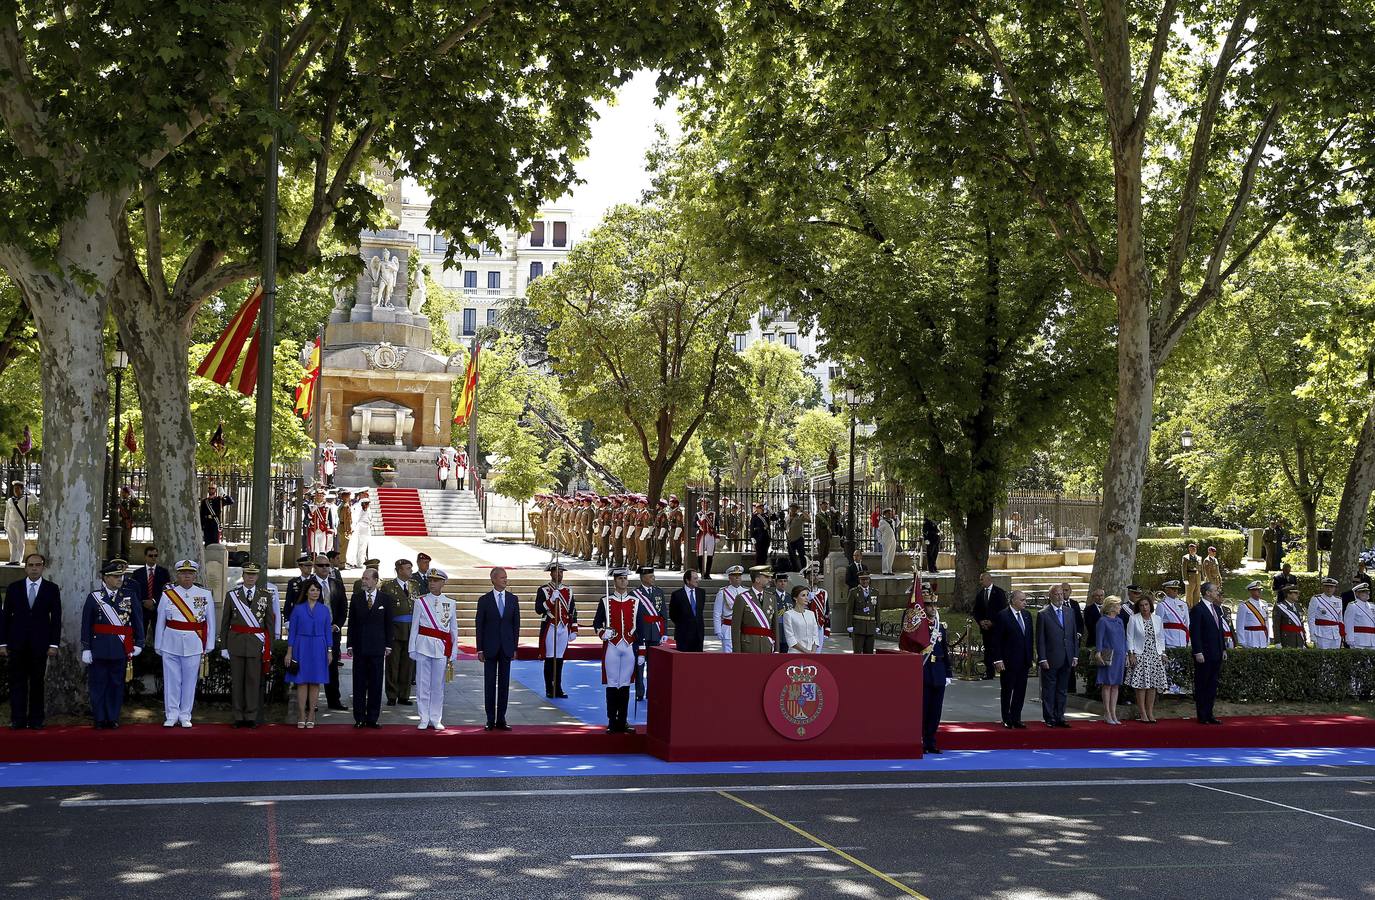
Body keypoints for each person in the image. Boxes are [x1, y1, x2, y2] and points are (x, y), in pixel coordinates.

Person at [81, 559, 143, 729]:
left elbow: (138, 621)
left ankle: (113, 717)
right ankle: (99, 718)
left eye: (121, 576)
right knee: (98, 684)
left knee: (116, 684)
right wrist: (86, 647)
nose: (119, 579)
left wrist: (139, 643)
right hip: (99, 648)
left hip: (120, 648)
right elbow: (86, 624)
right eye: (115, 576)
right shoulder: (94, 597)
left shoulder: (130, 596)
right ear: (105, 578)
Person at [1, 553, 61, 728]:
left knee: (37, 683)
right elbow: (5, 618)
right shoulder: (14, 588)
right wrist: (2, 643)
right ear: (25, 567)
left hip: (40, 645)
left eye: (38, 565)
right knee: (17, 683)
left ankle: (36, 719)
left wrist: (53, 644)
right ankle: (18, 720)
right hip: (17, 644)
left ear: (43, 567)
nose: (34, 568)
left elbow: (56, 618)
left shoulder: (51, 588)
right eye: (31, 565)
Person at [155, 559, 215, 728]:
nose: (187, 576)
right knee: (171, 681)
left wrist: (209, 643)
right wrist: (158, 644)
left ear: (195, 575)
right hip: (170, 642)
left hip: (194, 642)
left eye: (190, 573)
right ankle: (171, 714)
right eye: (183, 573)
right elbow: (160, 621)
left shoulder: (205, 594)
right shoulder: (168, 594)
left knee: (189, 681)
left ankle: (185, 714)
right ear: (177, 575)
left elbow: (210, 622)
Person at [217, 561, 277, 728]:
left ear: (257, 577)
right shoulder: (232, 595)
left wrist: (269, 646)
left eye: (254, 574)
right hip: (236, 643)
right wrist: (223, 646)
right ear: (243, 576)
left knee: (252, 681)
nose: (250, 577)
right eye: (247, 574)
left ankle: (250, 716)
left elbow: (269, 624)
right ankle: (238, 716)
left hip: (256, 645)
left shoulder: (266, 596)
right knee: (237, 681)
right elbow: (225, 622)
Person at [410, 568, 459, 730]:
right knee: (423, 684)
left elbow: (453, 630)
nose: (432, 583)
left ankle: (436, 717)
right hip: (423, 646)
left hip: (441, 648)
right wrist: (412, 648)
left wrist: (453, 652)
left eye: (436, 580)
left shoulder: (451, 603)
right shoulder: (420, 602)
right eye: (430, 580)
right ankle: (423, 717)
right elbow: (414, 627)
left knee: (438, 685)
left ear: (443, 583)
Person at [594, 568, 641, 733]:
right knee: (612, 684)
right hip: (612, 647)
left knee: (625, 685)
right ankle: (612, 720)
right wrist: (602, 632)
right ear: (614, 581)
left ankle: (623, 720)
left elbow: (639, 627)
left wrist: (641, 651)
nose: (623, 581)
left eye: (625, 578)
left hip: (628, 647)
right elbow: (597, 623)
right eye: (619, 579)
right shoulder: (605, 601)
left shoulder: (635, 602)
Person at [347, 567, 392, 728]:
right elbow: (351, 623)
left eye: (366, 578)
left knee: (375, 684)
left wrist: (388, 645)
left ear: (375, 580)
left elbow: (388, 623)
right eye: (363, 578)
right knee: (359, 684)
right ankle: (359, 717)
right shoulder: (357, 598)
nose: (363, 581)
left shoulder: (385, 599)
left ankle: (372, 717)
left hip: (377, 648)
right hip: (360, 647)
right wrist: (350, 644)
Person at [475, 566, 519, 730]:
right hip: (490, 647)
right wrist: (480, 648)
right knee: (489, 684)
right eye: (502, 578)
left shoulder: (513, 599)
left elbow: (516, 625)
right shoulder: (484, 600)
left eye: (506, 577)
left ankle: (501, 719)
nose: (505, 580)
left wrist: (514, 647)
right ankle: (490, 719)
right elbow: (479, 625)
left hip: (506, 647)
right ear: (493, 579)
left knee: (504, 684)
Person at [284, 579, 331, 728]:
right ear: (306, 592)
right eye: (312, 590)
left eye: (317, 590)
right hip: (301, 646)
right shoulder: (298, 609)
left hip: (318, 646)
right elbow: (292, 632)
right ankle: (301, 714)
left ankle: (311, 713)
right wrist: (289, 652)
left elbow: (328, 632)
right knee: (302, 681)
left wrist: (329, 651)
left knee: (315, 681)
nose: (315, 593)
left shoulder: (324, 610)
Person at [1036, 585, 1078, 729]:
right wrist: (1042, 658)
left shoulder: (1070, 612)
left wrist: (1075, 655)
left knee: (1062, 689)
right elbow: (1040, 639)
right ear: (1050, 596)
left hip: (1067, 657)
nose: (1060, 597)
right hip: (1051, 658)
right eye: (1056, 594)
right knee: (1049, 689)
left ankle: (1060, 716)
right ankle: (1049, 717)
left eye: (1061, 594)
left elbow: (1073, 636)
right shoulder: (1044, 614)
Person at [535, 561, 578, 698]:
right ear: (551, 573)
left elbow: (573, 611)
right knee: (549, 658)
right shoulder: (543, 590)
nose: (559, 574)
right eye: (556, 571)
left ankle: (558, 688)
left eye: (561, 572)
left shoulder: (568, 590)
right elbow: (538, 609)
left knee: (559, 659)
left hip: (563, 627)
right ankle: (549, 688)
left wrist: (574, 629)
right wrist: (551, 600)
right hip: (550, 626)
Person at [992, 590, 1032, 728]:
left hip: (1024, 661)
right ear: (1013, 600)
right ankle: (1006, 718)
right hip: (1008, 661)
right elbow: (996, 640)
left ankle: (1016, 717)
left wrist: (1030, 657)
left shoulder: (1027, 615)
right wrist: (998, 660)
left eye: (1025, 600)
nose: (1025, 603)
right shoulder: (1003, 616)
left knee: (1020, 691)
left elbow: (1029, 638)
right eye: (1022, 600)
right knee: (1007, 690)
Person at [314, 553, 349, 711]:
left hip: (332, 632)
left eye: (327, 565)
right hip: (313, 633)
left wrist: (337, 625)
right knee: (313, 665)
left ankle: (334, 700)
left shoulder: (337, 584)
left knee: (332, 667)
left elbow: (343, 608)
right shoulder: (309, 584)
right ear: (315, 567)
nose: (324, 568)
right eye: (321, 565)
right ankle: (311, 702)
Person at [1126, 593, 1168, 723]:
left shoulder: (1157, 619)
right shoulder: (1134, 618)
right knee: (1141, 685)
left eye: (1146, 605)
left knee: (1153, 686)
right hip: (1140, 655)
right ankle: (1142, 713)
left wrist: (1163, 653)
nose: (1144, 607)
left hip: (1155, 655)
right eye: (1142, 605)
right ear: (1138, 607)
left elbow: (1161, 637)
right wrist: (1131, 653)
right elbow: (1129, 637)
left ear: (1150, 606)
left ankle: (1150, 712)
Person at [1191, 582, 1228, 724]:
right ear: (1207, 593)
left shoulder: (1217, 609)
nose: (1217, 592)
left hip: (1216, 653)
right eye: (1215, 590)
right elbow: (1195, 633)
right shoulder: (1198, 609)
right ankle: (1202, 715)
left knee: (1212, 685)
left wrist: (1223, 649)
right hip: (1204, 654)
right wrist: (1198, 652)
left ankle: (1209, 714)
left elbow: (1220, 632)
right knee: (1202, 684)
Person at [382, 558, 417, 706]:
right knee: (393, 664)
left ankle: (404, 695)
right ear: (399, 570)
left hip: (411, 629)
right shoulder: (388, 587)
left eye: (410, 568)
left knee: (408, 665)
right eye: (408, 568)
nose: (410, 571)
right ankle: (391, 695)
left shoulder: (414, 585)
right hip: (395, 629)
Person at [632, 566, 667, 701]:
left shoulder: (659, 592)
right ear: (643, 578)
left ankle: (652, 691)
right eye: (651, 576)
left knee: (653, 666)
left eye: (653, 576)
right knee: (640, 665)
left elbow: (663, 612)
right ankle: (640, 691)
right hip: (641, 634)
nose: (653, 578)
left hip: (655, 633)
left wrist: (664, 631)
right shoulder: (635, 594)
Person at [1094, 595, 1127, 725]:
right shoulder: (1103, 621)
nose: (1120, 607)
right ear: (1112, 607)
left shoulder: (1119, 621)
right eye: (1118, 605)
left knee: (1116, 685)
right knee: (1107, 684)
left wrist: (1126, 654)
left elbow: (1123, 638)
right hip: (1108, 656)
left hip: (1120, 656)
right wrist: (1098, 653)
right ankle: (1107, 712)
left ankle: (1113, 712)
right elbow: (1099, 639)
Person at [732, 566, 778, 653]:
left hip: (767, 645)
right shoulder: (742, 598)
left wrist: (777, 649)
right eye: (767, 577)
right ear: (757, 579)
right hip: (748, 646)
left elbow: (775, 626)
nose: (770, 579)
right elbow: (736, 628)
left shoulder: (772, 598)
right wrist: (737, 652)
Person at [972, 572, 1008, 679]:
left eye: (981, 580)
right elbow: (976, 611)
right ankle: (989, 672)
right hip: (985, 629)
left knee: (998, 648)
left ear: (988, 580)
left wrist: (992, 621)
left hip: (996, 628)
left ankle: (1002, 670)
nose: (980, 582)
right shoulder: (980, 594)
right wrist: (981, 622)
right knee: (987, 650)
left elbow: (1002, 610)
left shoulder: (999, 592)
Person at [669, 568, 706, 652]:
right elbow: (673, 615)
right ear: (687, 580)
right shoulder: (677, 595)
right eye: (695, 578)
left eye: (697, 578)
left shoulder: (701, 593)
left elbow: (699, 612)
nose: (697, 580)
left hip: (698, 635)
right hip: (683, 635)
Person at [712, 565, 744, 652]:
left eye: (739, 575)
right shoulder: (723, 592)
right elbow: (717, 613)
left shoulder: (746, 592)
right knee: (729, 656)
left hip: (743, 628)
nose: (737, 577)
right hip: (728, 628)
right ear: (730, 578)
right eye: (734, 575)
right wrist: (718, 630)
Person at [781, 585, 820, 653]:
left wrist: (813, 651)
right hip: (795, 653)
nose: (806, 598)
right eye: (803, 595)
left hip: (812, 653)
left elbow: (815, 635)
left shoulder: (811, 614)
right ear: (795, 598)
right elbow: (790, 638)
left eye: (807, 595)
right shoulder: (788, 615)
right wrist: (806, 651)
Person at [1308, 577, 1345, 649]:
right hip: (1321, 633)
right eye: (1327, 586)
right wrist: (1312, 634)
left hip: (1336, 634)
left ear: (1335, 588)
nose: (1329, 589)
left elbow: (1340, 619)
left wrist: (1342, 633)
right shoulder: (1316, 599)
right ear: (1323, 587)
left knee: (1335, 657)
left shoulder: (1338, 600)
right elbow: (1311, 618)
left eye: (1331, 587)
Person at [847, 569, 877, 654]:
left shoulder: (875, 592)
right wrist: (849, 625)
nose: (865, 581)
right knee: (857, 652)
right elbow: (849, 610)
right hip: (858, 627)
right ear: (859, 580)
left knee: (869, 653)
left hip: (870, 627)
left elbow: (877, 610)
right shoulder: (853, 592)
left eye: (867, 579)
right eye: (863, 579)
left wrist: (877, 625)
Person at [1235, 581, 1271, 648]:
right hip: (1250, 637)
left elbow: (1267, 623)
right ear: (1250, 591)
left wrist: (1267, 638)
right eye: (1256, 590)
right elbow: (1239, 625)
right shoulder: (1244, 605)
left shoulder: (1264, 604)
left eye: (1260, 589)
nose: (1259, 591)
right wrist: (1242, 641)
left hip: (1263, 637)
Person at [1156, 580, 1191, 650]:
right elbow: (1158, 625)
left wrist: (1188, 639)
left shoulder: (1183, 604)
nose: (1175, 591)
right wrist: (1161, 642)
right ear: (1167, 590)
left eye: (1176, 589)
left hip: (1182, 639)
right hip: (1169, 639)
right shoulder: (1162, 605)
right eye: (1173, 589)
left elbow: (1187, 622)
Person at [804, 563, 831, 652]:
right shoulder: (803, 592)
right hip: (806, 626)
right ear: (807, 577)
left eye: (817, 575)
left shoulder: (823, 593)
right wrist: (807, 599)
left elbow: (826, 612)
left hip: (819, 626)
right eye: (812, 575)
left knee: (818, 651)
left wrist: (827, 629)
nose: (815, 577)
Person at [282, 553, 313, 623]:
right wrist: (287, 619)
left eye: (311, 565)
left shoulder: (315, 581)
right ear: (300, 567)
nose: (310, 568)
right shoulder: (293, 582)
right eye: (307, 565)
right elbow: (288, 602)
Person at [4, 480, 30, 564]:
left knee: (20, 542)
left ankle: (18, 560)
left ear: (22, 490)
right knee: (12, 543)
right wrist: (6, 524)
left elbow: (36, 500)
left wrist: (27, 490)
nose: (16, 490)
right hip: (11, 523)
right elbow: (7, 513)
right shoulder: (10, 500)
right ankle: (12, 560)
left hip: (20, 523)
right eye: (15, 488)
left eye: (18, 488)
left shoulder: (26, 499)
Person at [1344, 583, 1375, 649]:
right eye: (1363, 592)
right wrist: (1349, 639)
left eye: (1367, 592)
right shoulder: (1352, 606)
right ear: (1357, 594)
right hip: (1359, 640)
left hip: (1372, 640)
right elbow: (1348, 624)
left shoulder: (1372, 606)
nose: (1367, 594)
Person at [305, 488, 335, 556]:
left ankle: (321, 564)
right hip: (313, 530)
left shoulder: (327, 507)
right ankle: (314, 563)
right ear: (315, 496)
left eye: (321, 495)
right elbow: (306, 520)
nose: (319, 497)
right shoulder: (310, 506)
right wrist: (311, 513)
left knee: (323, 549)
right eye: (318, 495)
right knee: (314, 549)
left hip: (323, 530)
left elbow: (330, 519)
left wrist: (330, 530)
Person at [695, 500, 718, 577]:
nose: (705, 505)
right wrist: (700, 521)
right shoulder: (698, 514)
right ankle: (701, 572)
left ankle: (707, 573)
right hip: (702, 535)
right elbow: (694, 524)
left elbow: (716, 524)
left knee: (710, 554)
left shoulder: (713, 514)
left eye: (706, 504)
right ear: (701, 504)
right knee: (700, 553)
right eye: (703, 504)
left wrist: (716, 535)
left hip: (710, 535)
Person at [785, 503, 808, 572]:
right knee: (792, 557)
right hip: (790, 540)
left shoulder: (800, 517)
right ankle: (794, 570)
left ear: (796, 509)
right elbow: (785, 526)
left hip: (798, 539)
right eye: (791, 508)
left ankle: (804, 570)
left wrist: (802, 511)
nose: (793, 510)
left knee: (802, 556)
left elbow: (809, 519)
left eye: (794, 508)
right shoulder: (787, 517)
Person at [116, 486, 136, 561]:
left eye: (124, 493)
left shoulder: (130, 502)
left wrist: (133, 495)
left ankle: (126, 560)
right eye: (122, 492)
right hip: (120, 523)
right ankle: (121, 559)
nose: (123, 494)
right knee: (120, 543)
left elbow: (137, 504)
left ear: (128, 494)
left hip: (127, 524)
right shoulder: (119, 501)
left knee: (126, 543)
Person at [748, 501, 772, 567]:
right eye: (760, 508)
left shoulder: (766, 516)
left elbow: (774, 518)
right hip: (758, 538)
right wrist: (752, 537)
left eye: (762, 508)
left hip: (766, 538)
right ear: (757, 509)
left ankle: (763, 568)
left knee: (764, 554)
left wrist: (771, 511)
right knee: (759, 555)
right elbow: (752, 527)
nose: (761, 509)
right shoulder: (755, 517)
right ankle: (758, 569)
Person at [667, 496, 686, 570]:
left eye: (671, 503)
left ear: (675, 504)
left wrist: (676, 535)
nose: (669, 504)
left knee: (676, 549)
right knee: (672, 549)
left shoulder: (678, 512)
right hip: (672, 531)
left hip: (676, 531)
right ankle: (674, 564)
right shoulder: (673, 511)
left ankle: (677, 565)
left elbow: (679, 524)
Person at [336, 488, 354, 566]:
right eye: (348, 496)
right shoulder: (345, 506)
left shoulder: (342, 505)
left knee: (342, 546)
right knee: (343, 547)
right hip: (344, 527)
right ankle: (342, 563)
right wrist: (348, 530)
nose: (349, 498)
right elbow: (346, 519)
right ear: (345, 497)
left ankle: (342, 562)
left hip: (341, 526)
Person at [1181, 542, 1203, 606]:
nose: (1192, 550)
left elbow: (1201, 569)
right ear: (1189, 550)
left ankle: (1196, 607)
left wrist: (1202, 578)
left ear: (1196, 549)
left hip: (1198, 577)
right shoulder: (1186, 558)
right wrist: (1185, 579)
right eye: (1191, 549)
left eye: (1194, 549)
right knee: (1189, 594)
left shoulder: (1199, 558)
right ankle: (1189, 608)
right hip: (1190, 577)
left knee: (1197, 594)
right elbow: (1184, 569)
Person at [877, 508, 897, 575]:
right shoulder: (882, 522)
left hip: (892, 539)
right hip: (886, 539)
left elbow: (897, 524)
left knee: (891, 555)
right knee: (886, 555)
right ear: (885, 514)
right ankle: (885, 570)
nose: (890, 514)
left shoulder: (892, 521)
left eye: (891, 513)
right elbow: (879, 532)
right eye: (888, 513)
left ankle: (889, 570)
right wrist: (880, 540)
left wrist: (896, 518)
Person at [815, 499, 834, 565]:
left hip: (827, 535)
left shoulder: (828, 514)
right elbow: (817, 527)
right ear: (821, 506)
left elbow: (830, 524)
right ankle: (821, 568)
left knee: (826, 552)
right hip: (821, 535)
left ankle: (826, 568)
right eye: (824, 505)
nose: (826, 506)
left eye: (826, 505)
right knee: (821, 552)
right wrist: (817, 538)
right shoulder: (818, 515)